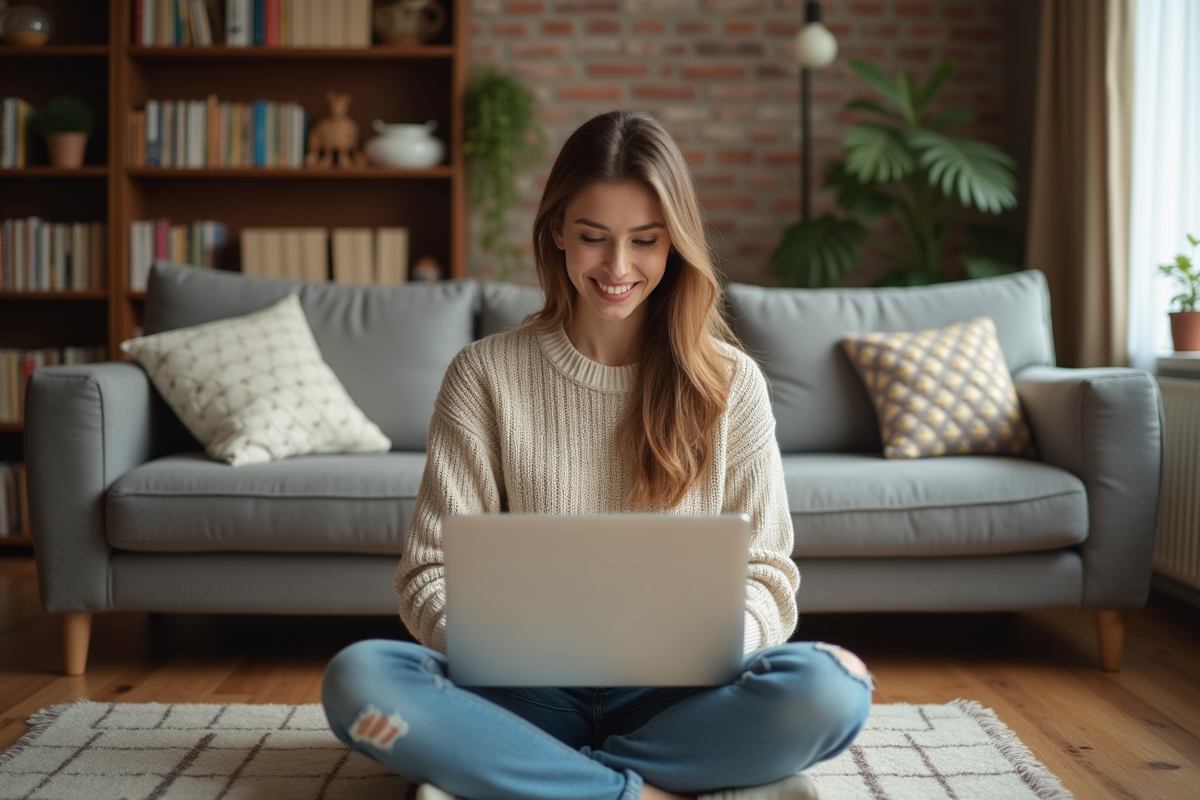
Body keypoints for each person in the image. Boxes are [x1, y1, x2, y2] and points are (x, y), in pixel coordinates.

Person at [321, 110, 872, 800]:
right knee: (359, 684)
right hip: (523, 694)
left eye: (645, 241)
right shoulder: (483, 374)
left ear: (676, 244)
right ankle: (648, 788)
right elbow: (429, 570)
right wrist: (485, 644)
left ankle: (523, 778)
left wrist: (718, 640)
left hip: (677, 694)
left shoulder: (731, 383)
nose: (618, 268)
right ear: (556, 232)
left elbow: (768, 574)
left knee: (835, 687)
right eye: (593, 238)